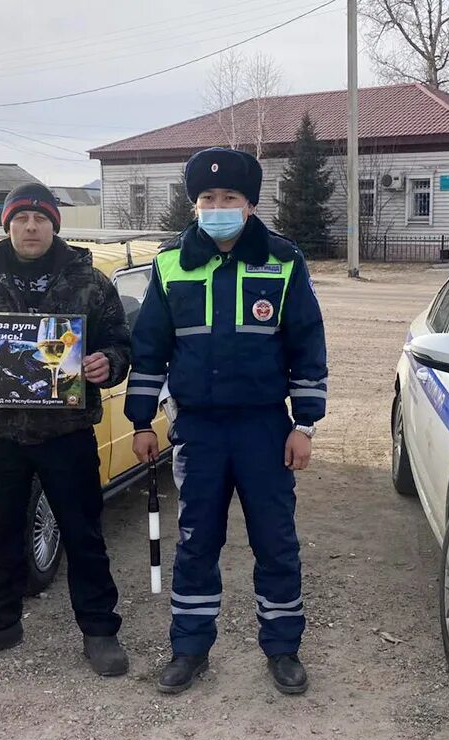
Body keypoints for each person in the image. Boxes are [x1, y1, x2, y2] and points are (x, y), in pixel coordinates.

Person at [126, 147, 328, 695]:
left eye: (230, 198)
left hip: (264, 427)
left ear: (251, 204)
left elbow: (308, 346)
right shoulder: (171, 263)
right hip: (199, 429)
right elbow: (150, 349)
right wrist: (141, 421)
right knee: (197, 542)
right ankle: (190, 649)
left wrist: (304, 425)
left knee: (275, 541)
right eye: (208, 198)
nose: (218, 206)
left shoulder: (284, 261)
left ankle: (283, 648)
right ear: (194, 206)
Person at [0, 183, 133, 675]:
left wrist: (111, 362)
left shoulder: (90, 283)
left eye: (41, 219)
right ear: (8, 225)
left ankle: (100, 631)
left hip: (67, 432)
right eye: (21, 219)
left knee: (84, 533)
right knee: (1, 531)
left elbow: (121, 344)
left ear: (55, 225)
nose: (31, 227)